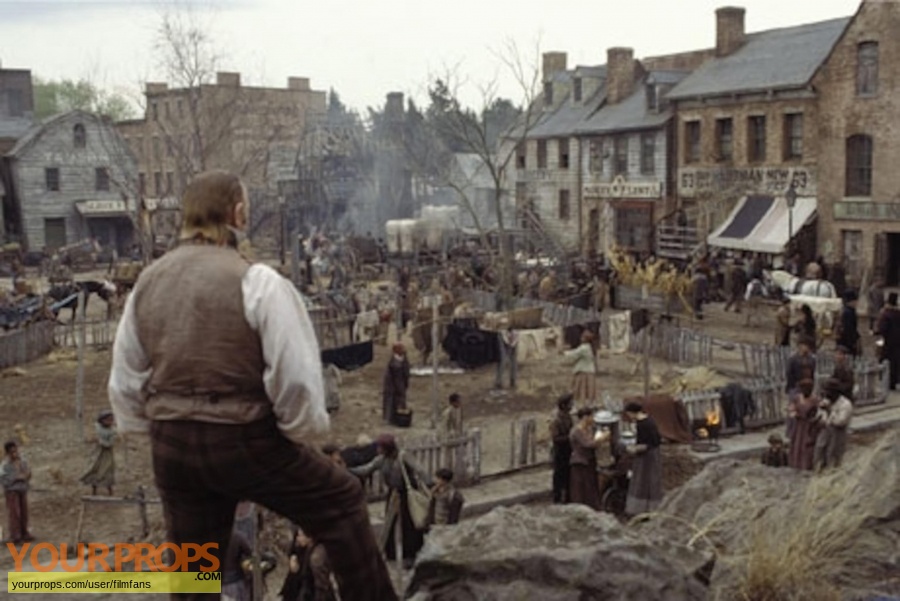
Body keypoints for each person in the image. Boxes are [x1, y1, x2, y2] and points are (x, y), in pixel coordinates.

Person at [108, 171, 396, 601]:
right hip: (243, 437)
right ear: (237, 213)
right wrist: (295, 436)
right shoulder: (256, 281)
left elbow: (125, 379)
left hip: (173, 447)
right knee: (341, 501)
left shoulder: (147, 282)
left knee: (193, 569)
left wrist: (158, 429)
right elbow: (295, 378)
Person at [350, 434, 430, 570]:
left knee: (409, 525)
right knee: (391, 523)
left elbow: (420, 470)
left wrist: (431, 484)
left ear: (388, 448)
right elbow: (366, 470)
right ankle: (392, 553)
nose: (377, 450)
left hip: (407, 495)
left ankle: (411, 555)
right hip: (393, 494)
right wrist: (346, 470)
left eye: (380, 447)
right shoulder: (381, 460)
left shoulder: (403, 456)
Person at [623, 402, 662, 516]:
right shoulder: (649, 419)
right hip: (654, 454)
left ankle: (639, 509)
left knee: (642, 480)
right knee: (652, 480)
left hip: (647, 457)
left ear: (632, 413)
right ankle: (652, 508)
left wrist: (632, 449)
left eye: (629, 414)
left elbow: (645, 444)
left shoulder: (642, 424)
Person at [279, 528, 337, 601]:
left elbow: (321, 587)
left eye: (300, 536)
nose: (297, 539)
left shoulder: (316, 557)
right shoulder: (303, 551)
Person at [568, 407, 606, 510]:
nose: (593, 419)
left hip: (589, 460)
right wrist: (602, 439)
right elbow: (588, 444)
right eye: (591, 416)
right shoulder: (577, 431)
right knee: (581, 488)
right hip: (580, 462)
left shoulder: (588, 429)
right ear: (585, 417)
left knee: (591, 487)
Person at [813, 378, 854, 471]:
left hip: (837, 434)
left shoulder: (845, 404)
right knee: (819, 450)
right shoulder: (826, 401)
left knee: (833, 454)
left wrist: (829, 411)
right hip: (825, 431)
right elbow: (820, 414)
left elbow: (841, 421)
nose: (826, 395)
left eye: (828, 392)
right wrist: (819, 419)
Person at [1, 441, 33, 544]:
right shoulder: (5, 465)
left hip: (22, 489)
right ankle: (16, 536)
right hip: (12, 492)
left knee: (24, 512)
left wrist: (27, 476)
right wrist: (17, 478)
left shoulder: (22, 461)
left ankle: (25, 533)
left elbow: (27, 473)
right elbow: (4, 480)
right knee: (15, 514)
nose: (15, 454)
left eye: (16, 451)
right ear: (8, 453)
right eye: (12, 452)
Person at [80, 409, 117, 496]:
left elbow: (110, 443)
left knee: (107, 472)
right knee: (94, 470)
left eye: (111, 420)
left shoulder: (112, 431)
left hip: (106, 455)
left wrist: (101, 441)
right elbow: (89, 437)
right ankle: (94, 490)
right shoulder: (97, 428)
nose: (110, 422)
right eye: (107, 420)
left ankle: (109, 491)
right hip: (96, 454)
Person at [788, 379, 821, 471]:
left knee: (808, 445)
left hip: (810, 426)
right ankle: (796, 464)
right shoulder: (797, 398)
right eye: (804, 389)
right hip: (799, 426)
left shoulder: (815, 399)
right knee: (798, 444)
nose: (807, 391)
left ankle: (808, 464)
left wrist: (814, 418)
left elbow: (819, 411)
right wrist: (796, 415)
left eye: (809, 389)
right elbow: (791, 410)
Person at [549, 394, 574, 504]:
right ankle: (557, 498)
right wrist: (570, 437)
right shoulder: (556, 420)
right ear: (564, 405)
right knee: (559, 475)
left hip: (568, 450)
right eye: (570, 403)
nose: (572, 405)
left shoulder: (568, 416)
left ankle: (567, 498)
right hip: (560, 452)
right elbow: (556, 438)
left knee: (568, 475)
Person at [562, 331, 597, 405]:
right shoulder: (590, 347)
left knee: (581, 390)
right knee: (588, 391)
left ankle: (581, 405)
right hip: (590, 371)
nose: (581, 338)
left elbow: (574, 354)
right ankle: (588, 404)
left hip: (584, 371)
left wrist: (563, 352)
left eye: (583, 337)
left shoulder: (584, 348)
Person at [383, 343, 411, 425]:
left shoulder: (403, 359)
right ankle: (392, 418)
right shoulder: (394, 363)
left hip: (401, 383)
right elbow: (396, 377)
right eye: (401, 348)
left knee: (399, 401)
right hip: (392, 386)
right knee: (392, 402)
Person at [876, 292, 900, 390]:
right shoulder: (898, 314)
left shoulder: (886, 314)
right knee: (896, 363)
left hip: (888, 343)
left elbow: (882, 329)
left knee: (886, 362)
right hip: (898, 343)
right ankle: (894, 382)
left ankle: (887, 382)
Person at [835, 291, 860, 356]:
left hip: (842, 341)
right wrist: (853, 342)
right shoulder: (849, 313)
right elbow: (849, 329)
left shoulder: (844, 311)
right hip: (847, 342)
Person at [495, 323, 518, 390]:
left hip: (514, 335)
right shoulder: (503, 330)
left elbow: (515, 340)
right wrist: (508, 342)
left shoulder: (516, 331)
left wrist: (512, 343)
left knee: (514, 360)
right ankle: (498, 382)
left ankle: (513, 380)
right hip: (503, 333)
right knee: (503, 359)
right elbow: (504, 336)